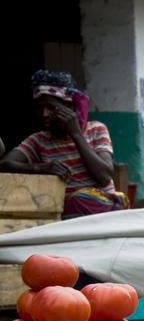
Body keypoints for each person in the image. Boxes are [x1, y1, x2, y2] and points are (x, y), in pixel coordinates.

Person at [0, 70, 122, 218]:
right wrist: (41, 167)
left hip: (99, 206)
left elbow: (104, 176)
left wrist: (76, 134)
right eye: (39, 108)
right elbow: (5, 164)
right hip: (64, 210)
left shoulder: (96, 129)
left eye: (51, 108)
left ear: (69, 108)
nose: (44, 114)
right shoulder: (39, 140)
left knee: (79, 200)